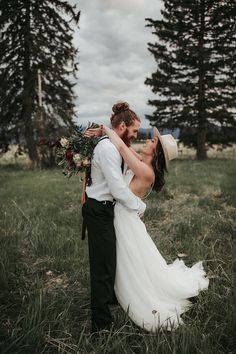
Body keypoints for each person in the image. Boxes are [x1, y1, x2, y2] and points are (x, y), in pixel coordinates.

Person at [96, 122, 210, 331]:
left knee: (130, 264)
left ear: (156, 151)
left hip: (123, 219)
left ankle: (136, 297)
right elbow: (123, 145)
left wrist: (105, 130)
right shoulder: (140, 161)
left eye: (152, 141)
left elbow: (121, 147)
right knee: (134, 262)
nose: (148, 140)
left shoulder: (147, 171)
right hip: (124, 216)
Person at [82, 102, 146, 333]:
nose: (136, 135)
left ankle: (110, 300)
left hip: (104, 209)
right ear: (121, 126)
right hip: (99, 210)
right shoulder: (107, 149)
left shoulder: (113, 145)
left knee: (110, 260)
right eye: (135, 130)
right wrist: (140, 205)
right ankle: (101, 327)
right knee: (102, 268)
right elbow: (117, 189)